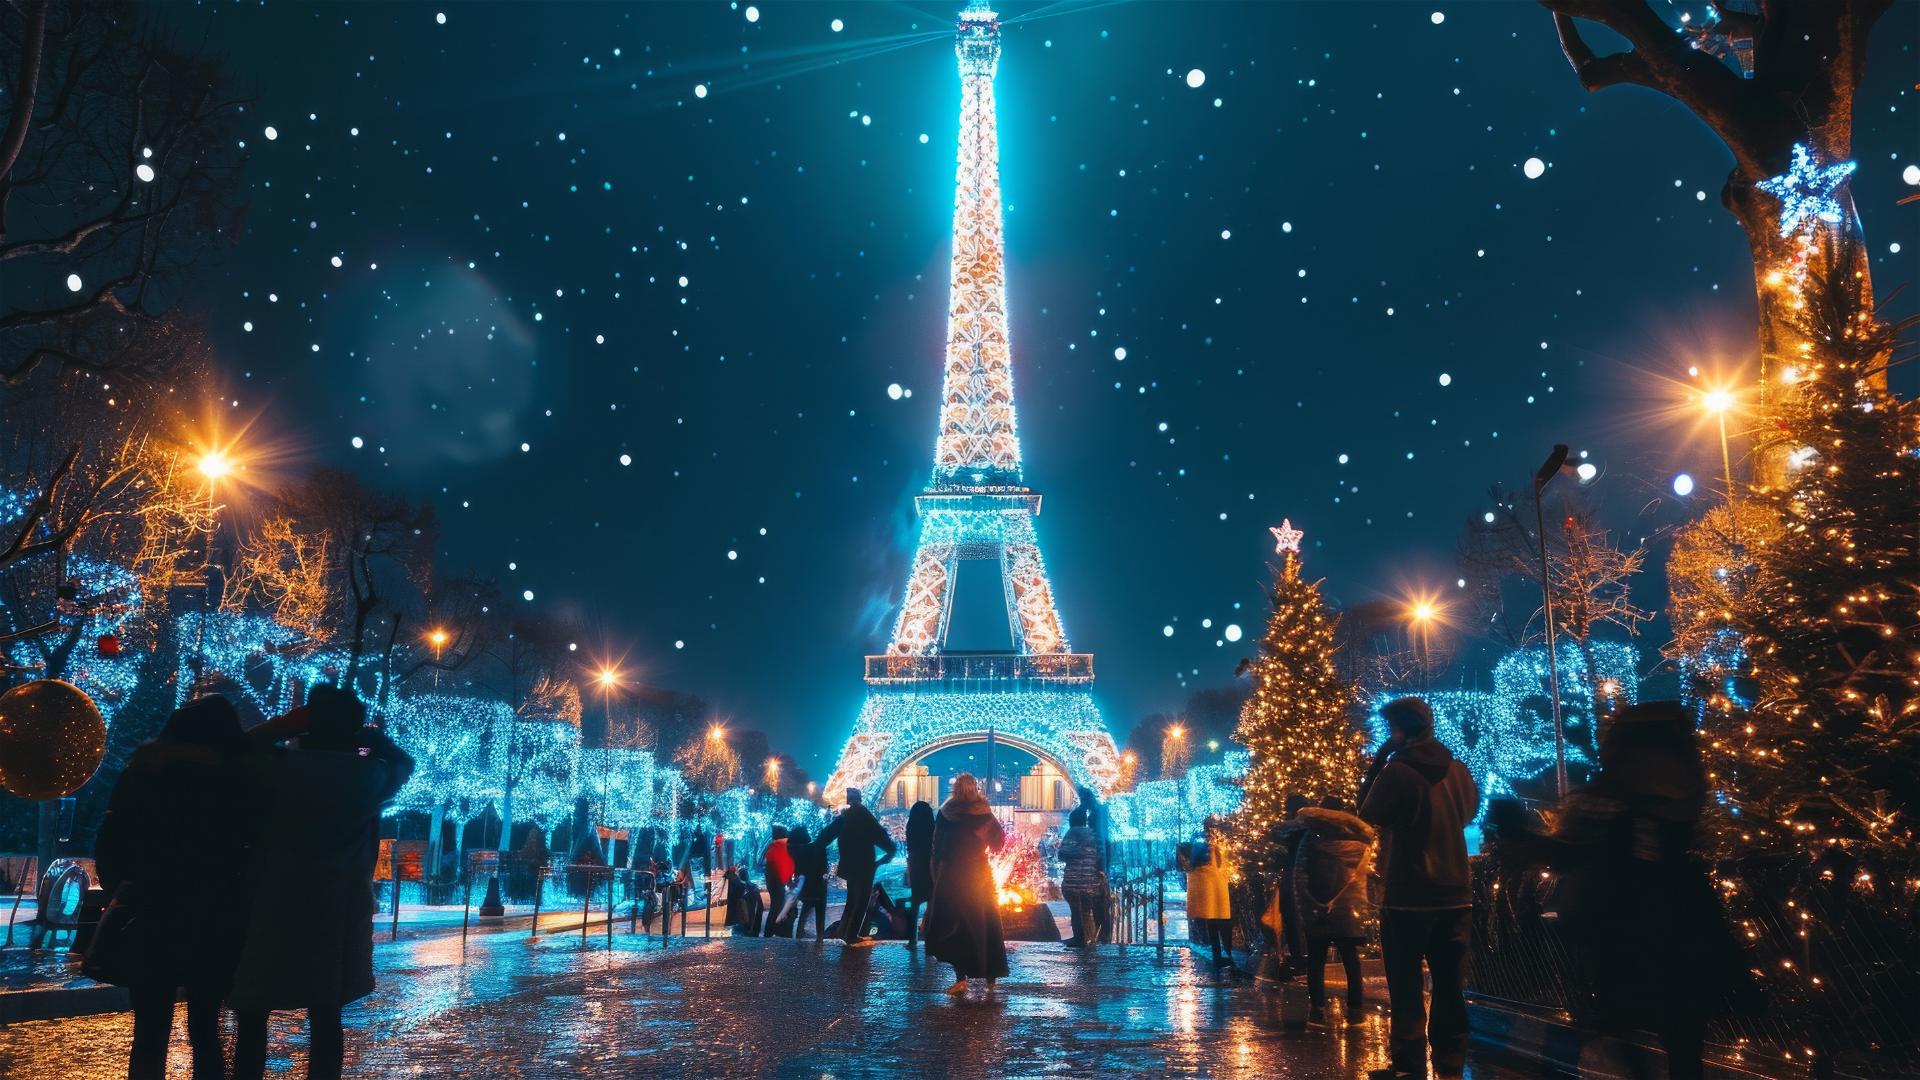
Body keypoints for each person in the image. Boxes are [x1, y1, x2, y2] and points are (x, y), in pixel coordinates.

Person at [1497, 702, 1755, 1080]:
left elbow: (1569, 851)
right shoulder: (1685, 782)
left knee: (1616, 1019)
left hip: (1623, 922)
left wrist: (1519, 834)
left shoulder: (1607, 793)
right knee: (1684, 1031)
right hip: (1686, 915)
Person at [229, 686, 416, 1080]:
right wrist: (374, 739)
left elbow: (239, 747)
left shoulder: (279, 768)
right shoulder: (367, 777)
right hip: (335, 902)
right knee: (326, 1011)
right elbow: (403, 764)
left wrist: (284, 724)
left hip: (274, 896)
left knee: (254, 1008)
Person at [92, 696, 255, 1080]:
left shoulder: (144, 772)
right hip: (214, 912)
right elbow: (245, 845)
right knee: (205, 1029)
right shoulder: (231, 779)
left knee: (149, 1029)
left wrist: (126, 888)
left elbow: (112, 839)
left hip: (153, 909)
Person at [1358, 696, 1478, 1080]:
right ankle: (1451, 1062)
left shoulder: (1398, 772)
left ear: (1398, 731)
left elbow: (1367, 814)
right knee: (1449, 985)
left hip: (1408, 894)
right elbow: (1469, 812)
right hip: (1455, 893)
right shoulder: (1457, 770)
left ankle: (1409, 1064)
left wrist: (1380, 758)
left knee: (1406, 986)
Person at [1293, 795, 1377, 1026]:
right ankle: (1356, 1011)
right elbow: (1364, 877)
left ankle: (1317, 1010)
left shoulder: (1311, 839)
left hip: (1317, 907)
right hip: (1348, 908)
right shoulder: (1360, 839)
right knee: (1351, 960)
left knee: (1316, 960)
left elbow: (1299, 874)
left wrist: (1308, 903)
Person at [924, 773, 1008, 994]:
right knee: (985, 921)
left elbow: (937, 846)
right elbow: (999, 841)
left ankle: (961, 976)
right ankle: (991, 975)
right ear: (975, 788)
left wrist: (936, 872)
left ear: (956, 789)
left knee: (955, 924)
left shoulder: (946, 813)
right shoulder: (984, 813)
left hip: (952, 874)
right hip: (978, 873)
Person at [816, 786, 896, 944]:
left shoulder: (845, 818)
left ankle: (844, 931)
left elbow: (825, 835)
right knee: (861, 901)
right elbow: (882, 838)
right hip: (865, 865)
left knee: (852, 899)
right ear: (860, 798)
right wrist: (882, 859)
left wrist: (816, 848)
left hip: (849, 865)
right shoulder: (865, 816)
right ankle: (851, 934)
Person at [1185, 831, 1238, 972]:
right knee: (1221, 924)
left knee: (1213, 924)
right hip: (1216, 892)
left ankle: (1218, 957)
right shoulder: (1214, 848)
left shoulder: (1199, 848)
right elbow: (1223, 866)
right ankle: (1223, 955)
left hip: (1209, 894)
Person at [1272, 793, 1311, 973]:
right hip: (1301, 874)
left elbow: (1278, 833)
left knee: (1292, 915)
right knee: (1295, 915)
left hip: (1293, 874)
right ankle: (1301, 955)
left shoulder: (1297, 827)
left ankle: (1299, 955)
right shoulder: (1308, 826)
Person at [1056, 807, 1101, 947]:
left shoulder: (1072, 833)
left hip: (1074, 881)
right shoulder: (1094, 835)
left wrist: (1071, 853)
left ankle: (1079, 939)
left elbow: (1062, 853)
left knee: (1076, 912)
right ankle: (1090, 939)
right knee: (1086, 912)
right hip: (1090, 882)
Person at [1075, 785, 1113, 942]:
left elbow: (1102, 847)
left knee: (1099, 908)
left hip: (1097, 870)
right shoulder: (1099, 814)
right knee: (1099, 908)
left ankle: (1101, 939)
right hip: (1098, 868)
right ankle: (1101, 938)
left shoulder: (1095, 818)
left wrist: (1100, 867)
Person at [787, 825, 828, 940]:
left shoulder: (793, 850)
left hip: (805, 886)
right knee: (820, 913)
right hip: (818, 885)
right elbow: (822, 867)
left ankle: (799, 937)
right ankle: (820, 938)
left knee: (805, 911)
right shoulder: (814, 848)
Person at [903, 801, 935, 949]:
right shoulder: (932, 827)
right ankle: (931, 938)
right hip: (929, 864)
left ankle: (912, 939)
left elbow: (909, 849)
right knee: (931, 900)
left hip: (916, 865)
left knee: (915, 902)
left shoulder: (911, 827)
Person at [761, 825, 795, 937]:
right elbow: (784, 864)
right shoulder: (781, 846)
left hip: (773, 881)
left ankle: (770, 932)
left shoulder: (773, 846)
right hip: (777, 881)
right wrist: (787, 879)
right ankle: (769, 933)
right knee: (776, 907)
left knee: (776, 906)